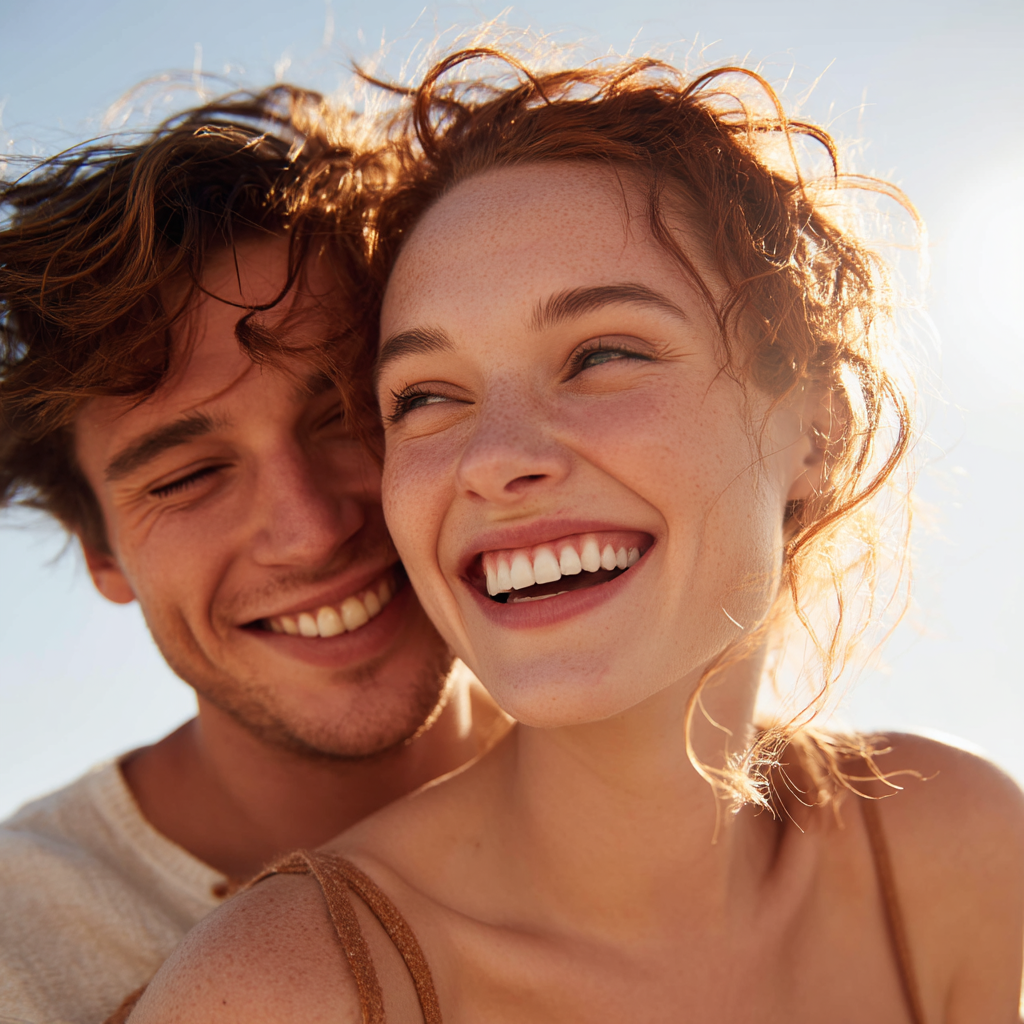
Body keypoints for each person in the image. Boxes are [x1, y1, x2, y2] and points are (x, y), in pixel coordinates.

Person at [131, 51, 1024, 1022]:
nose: (495, 456)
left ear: (820, 428)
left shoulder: (953, 844)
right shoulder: (285, 990)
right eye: (427, 395)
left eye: (601, 353)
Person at [0, 85, 505, 1024]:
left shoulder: (702, 803)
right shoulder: (20, 956)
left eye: (352, 414)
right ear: (100, 554)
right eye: (188, 477)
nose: (311, 528)